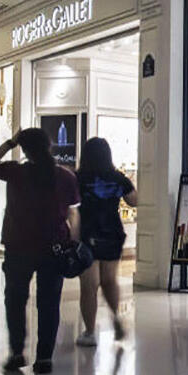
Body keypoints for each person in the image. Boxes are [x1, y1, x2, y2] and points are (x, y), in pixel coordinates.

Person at [0, 127, 80, 374]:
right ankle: (44, 357)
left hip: (18, 247)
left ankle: (17, 353)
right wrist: (73, 243)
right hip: (54, 248)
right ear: (49, 146)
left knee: (15, 301)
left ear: (24, 149)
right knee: (49, 303)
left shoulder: (16, 172)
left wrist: (10, 143)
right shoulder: (65, 177)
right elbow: (73, 214)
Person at [74, 137, 136, 346]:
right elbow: (134, 200)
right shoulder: (117, 178)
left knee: (89, 285)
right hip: (112, 233)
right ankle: (115, 317)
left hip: (87, 234)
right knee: (110, 280)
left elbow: (70, 206)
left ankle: (90, 332)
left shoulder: (78, 178)